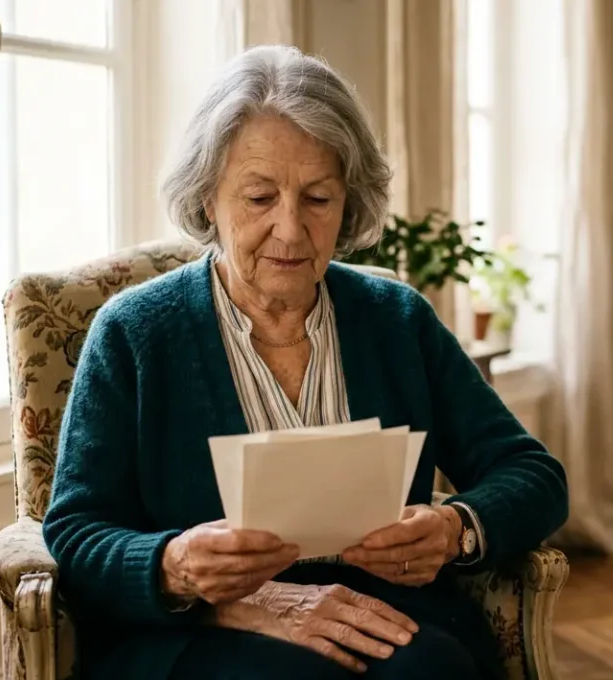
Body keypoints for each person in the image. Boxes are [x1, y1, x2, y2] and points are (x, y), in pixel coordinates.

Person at [41, 44, 569, 680]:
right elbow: (76, 530)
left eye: (318, 198)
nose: (291, 231)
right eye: (259, 197)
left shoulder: (396, 320)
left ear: (349, 203)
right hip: (205, 626)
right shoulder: (133, 333)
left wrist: (454, 527)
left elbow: (533, 474)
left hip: (386, 614)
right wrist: (177, 566)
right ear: (208, 198)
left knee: (432, 670)